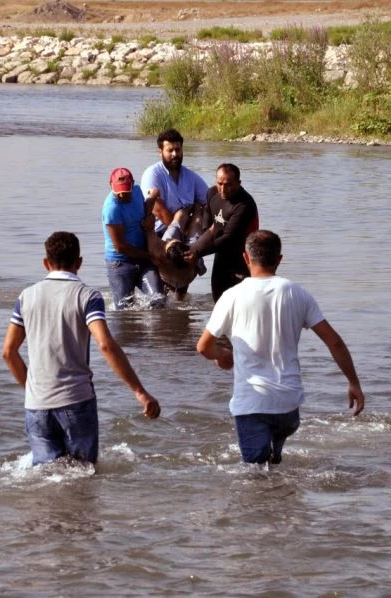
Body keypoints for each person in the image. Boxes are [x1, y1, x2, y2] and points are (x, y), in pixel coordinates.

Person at [196, 230, 365, 465]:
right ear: (279, 259)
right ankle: (280, 478)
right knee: (272, 461)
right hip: (288, 405)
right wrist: (353, 382)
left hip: (252, 404)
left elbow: (203, 346)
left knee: (255, 476)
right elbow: (333, 341)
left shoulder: (232, 296)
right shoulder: (297, 293)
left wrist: (222, 354)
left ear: (246, 258)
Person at [2, 231, 162, 466]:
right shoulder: (87, 296)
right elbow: (105, 344)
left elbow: (8, 352)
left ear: (46, 263)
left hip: (37, 405)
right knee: (83, 475)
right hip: (75, 401)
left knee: (48, 478)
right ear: (79, 263)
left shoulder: (26, 296)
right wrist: (139, 391)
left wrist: (31, 388)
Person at [141, 128, 209, 298]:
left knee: (181, 288)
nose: (174, 154)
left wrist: (202, 225)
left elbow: (209, 201)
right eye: (169, 150)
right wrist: (181, 221)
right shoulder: (153, 174)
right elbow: (157, 209)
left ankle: (178, 311)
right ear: (160, 152)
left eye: (177, 149)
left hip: (185, 234)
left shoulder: (190, 177)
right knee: (162, 290)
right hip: (159, 234)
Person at [187, 163, 260, 302]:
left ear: (239, 183)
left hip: (243, 260)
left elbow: (229, 238)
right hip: (221, 257)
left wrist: (198, 253)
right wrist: (192, 250)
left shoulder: (244, 204)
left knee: (241, 305)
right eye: (220, 183)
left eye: (228, 184)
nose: (223, 189)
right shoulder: (212, 193)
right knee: (219, 303)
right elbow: (208, 228)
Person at [102, 167, 166, 309]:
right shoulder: (111, 209)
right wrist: (150, 256)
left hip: (143, 259)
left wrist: (151, 207)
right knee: (124, 310)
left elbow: (143, 213)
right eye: (118, 192)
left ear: (132, 185)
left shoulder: (137, 191)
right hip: (120, 263)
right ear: (110, 185)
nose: (121, 196)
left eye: (125, 191)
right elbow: (121, 247)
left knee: (159, 301)